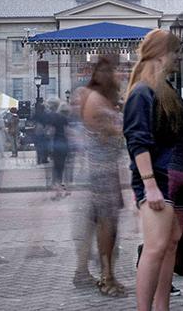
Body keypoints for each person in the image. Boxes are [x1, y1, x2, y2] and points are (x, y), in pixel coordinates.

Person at [123, 28, 183, 311]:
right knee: (155, 247)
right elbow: (137, 142)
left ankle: (161, 307)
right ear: (162, 53)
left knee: (169, 245)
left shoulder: (164, 89)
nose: (178, 59)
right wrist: (149, 185)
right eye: (175, 52)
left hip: (171, 179)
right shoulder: (142, 92)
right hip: (157, 181)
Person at [73, 56, 126, 296]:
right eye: (117, 71)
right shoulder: (96, 100)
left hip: (101, 170)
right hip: (101, 172)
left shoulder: (96, 98)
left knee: (96, 224)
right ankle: (107, 277)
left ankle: (87, 272)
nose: (121, 75)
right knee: (107, 225)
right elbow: (115, 132)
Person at [47, 97, 71, 200]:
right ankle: (65, 188)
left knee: (56, 168)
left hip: (56, 144)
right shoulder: (64, 118)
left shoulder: (53, 118)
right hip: (64, 144)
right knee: (64, 166)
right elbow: (67, 132)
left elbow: (51, 132)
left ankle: (58, 191)